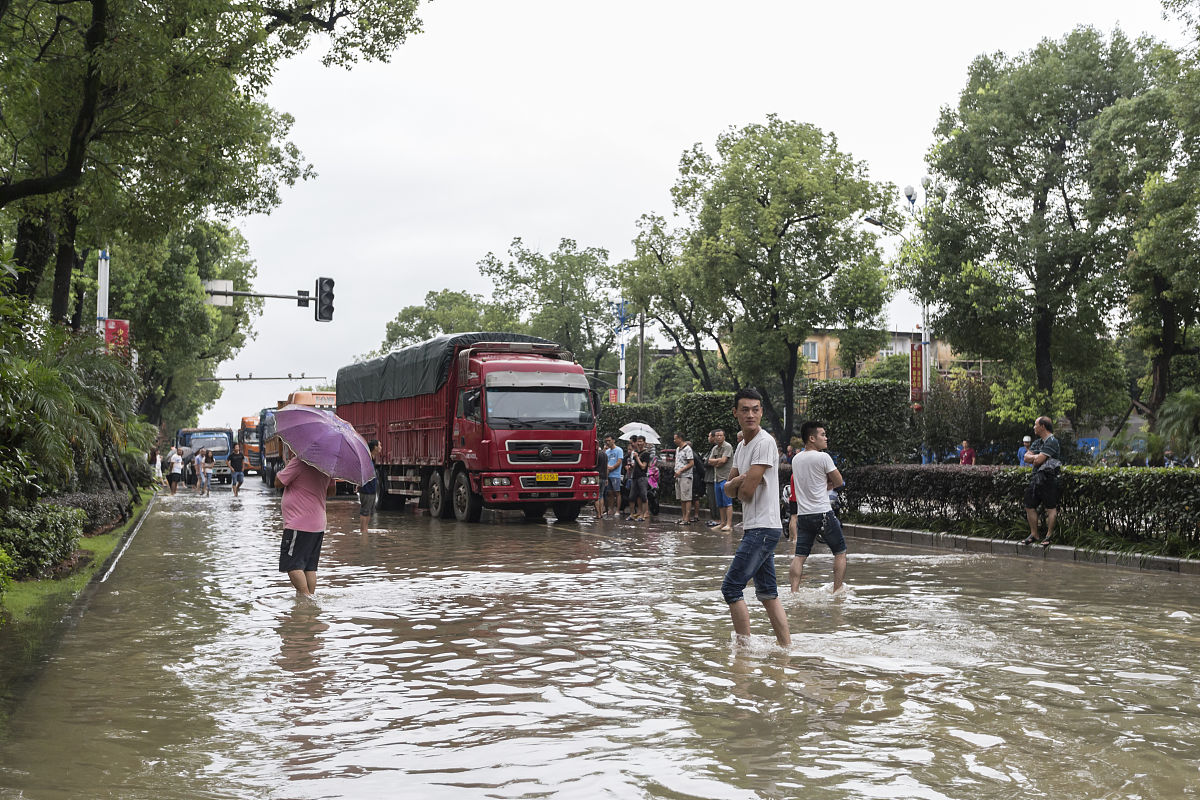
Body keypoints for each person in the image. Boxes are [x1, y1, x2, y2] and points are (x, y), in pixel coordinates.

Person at [720, 388, 790, 647]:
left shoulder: (764, 442)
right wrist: (740, 480)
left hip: (763, 527)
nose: (750, 414)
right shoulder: (742, 446)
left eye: (755, 409)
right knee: (768, 593)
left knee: (731, 587)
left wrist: (737, 484)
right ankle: (786, 648)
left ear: (761, 412)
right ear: (735, 413)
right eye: (745, 410)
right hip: (756, 527)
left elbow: (745, 494)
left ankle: (743, 651)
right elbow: (729, 490)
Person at [788, 421, 847, 594]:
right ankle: (837, 590)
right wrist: (829, 484)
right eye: (823, 435)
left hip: (803, 515)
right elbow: (839, 481)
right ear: (812, 438)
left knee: (799, 556)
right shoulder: (823, 457)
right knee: (840, 552)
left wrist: (824, 483)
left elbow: (809, 480)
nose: (826, 438)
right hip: (823, 513)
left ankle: (794, 592)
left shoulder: (796, 459)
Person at [275, 450, 336, 596]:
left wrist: (287, 466)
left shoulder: (300, 461)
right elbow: (331, 492)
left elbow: (278, 483)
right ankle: (309, 603)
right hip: (318, 524)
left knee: (292, 566)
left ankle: (306, 599)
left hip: (298, 524)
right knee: (309, 568)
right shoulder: (327, 466)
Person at [1020, 416, 1062, 546]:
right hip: (1036, 478)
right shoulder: (1037, 442)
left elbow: (1037, 461)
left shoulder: (1052, 441)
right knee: (1029, 505)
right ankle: (1034, 534)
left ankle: (1049, 536)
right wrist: (1038, 456)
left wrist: (1035, 457)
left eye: (1035, 424)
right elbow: (1026, 457)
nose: (1034, 427)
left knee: (1050, 508)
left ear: (1042, 426)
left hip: (1049, 479)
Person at [708, 428, 735, 532]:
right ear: (714, 437)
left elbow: (723, 461)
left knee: (728, 502)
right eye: (717, 435)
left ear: (724, 437)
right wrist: (718, 462)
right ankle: (722, 523)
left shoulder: (727, 446)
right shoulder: (714, 448)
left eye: (721, 435)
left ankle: (729, 524)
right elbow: (709, 461)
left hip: (726, 478)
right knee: (720, 503)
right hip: (717, 478)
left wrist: (716, 462)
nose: (719, 437)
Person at [358, 439, 381, 533]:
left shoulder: (371, 458)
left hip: (371, 489)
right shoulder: (367, 459)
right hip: (366, 489)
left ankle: (365, 530)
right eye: (379, 445)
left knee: (369, 511)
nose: (380, 447)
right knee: (365, 510)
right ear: (375, 447)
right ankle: (363, 530)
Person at [673, 432, 695, 524]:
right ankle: (683, 517)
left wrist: (681, 470)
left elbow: (691, 463)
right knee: (681, 498)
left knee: (687, 497)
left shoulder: (687, 449)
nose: (674, 440)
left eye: (675, 438)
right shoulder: (678, 449)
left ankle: (687, 518)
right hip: (678, 476)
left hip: (686, 476)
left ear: (680, 438)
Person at [628, 436, 650, 521]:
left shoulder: (646, 454)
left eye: (641, 441)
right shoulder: (635, 452)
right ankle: (631, 514)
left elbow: (643, 466)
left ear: (644, 442)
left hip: (642, 477)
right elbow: (635, 465)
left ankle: (643, 515)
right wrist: (631, 466)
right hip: (634, 476)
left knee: (643, 496)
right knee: (632, 496)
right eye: (638, 441)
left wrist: (637, 458)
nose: (639, 443)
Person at [603, 435, 623, 518]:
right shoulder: (607, 451)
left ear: (613, 440)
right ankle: (611, 509)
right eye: (606, 441)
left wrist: (613, 467)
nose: (608, 442)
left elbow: (619, 461)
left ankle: (617, 510)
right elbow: (605, 461)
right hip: (608, 474)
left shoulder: (619, 450)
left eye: (609, 440)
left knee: (617, 492)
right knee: (609, 493)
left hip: (616, 474)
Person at [593, 442, 608, 519]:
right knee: (601, 495)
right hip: (604, 477)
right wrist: (607, 478)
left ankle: (598, 514)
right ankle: (601, 513)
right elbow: (606, 467)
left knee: (596, 496)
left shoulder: (595, 455)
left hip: (596, 477)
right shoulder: (605, 455)